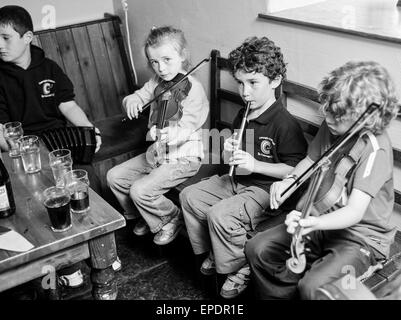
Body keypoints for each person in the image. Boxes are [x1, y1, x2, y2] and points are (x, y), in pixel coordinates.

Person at [245, 61, 400, 300]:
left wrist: (314, 224)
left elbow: (354, 212)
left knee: (314, 286)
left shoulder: (375, 148)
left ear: (365, 118)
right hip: (318, 219)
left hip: (360, 238)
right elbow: (310, 160)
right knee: (258, 248)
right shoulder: (334, 126)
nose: (328, 118)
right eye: (326, 109)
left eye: (336, 114)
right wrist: (291, 180)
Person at [0, 5, 120, 290]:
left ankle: (99, 249)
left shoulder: (49, 67)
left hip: (59, 142)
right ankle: (66, 263)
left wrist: (89, 130)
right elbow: (3, 132)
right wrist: (13, 143)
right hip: (22, 150)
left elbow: (67, 104)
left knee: (82, 179)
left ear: (28, 36)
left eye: (6, 38)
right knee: (36, 197)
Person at [179, 36, 308, 299]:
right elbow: (237, 151)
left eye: (253, 83)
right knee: (189, 196)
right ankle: (215, 252)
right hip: (239, 181)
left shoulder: (285, 124)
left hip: (266, 190)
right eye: (240, 83)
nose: (244, 92)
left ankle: (241, 266)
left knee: (220, 215)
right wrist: (228, 150)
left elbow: (296, 172)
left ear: (274, 81)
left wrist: (256, 163)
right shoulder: (244, 113)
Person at [107, 26, 209, 246]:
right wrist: (131, 102)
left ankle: (170, 217)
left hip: (184, 156)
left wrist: (164, 133)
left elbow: (187, 128)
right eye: (154, 62)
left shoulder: (194, 90)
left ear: (182, 56)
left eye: (166, 60)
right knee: (114, 177)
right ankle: (145, 214)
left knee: (139, 190)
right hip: (158, 153)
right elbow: (138, 95)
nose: (160, 68)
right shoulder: (156, 82)